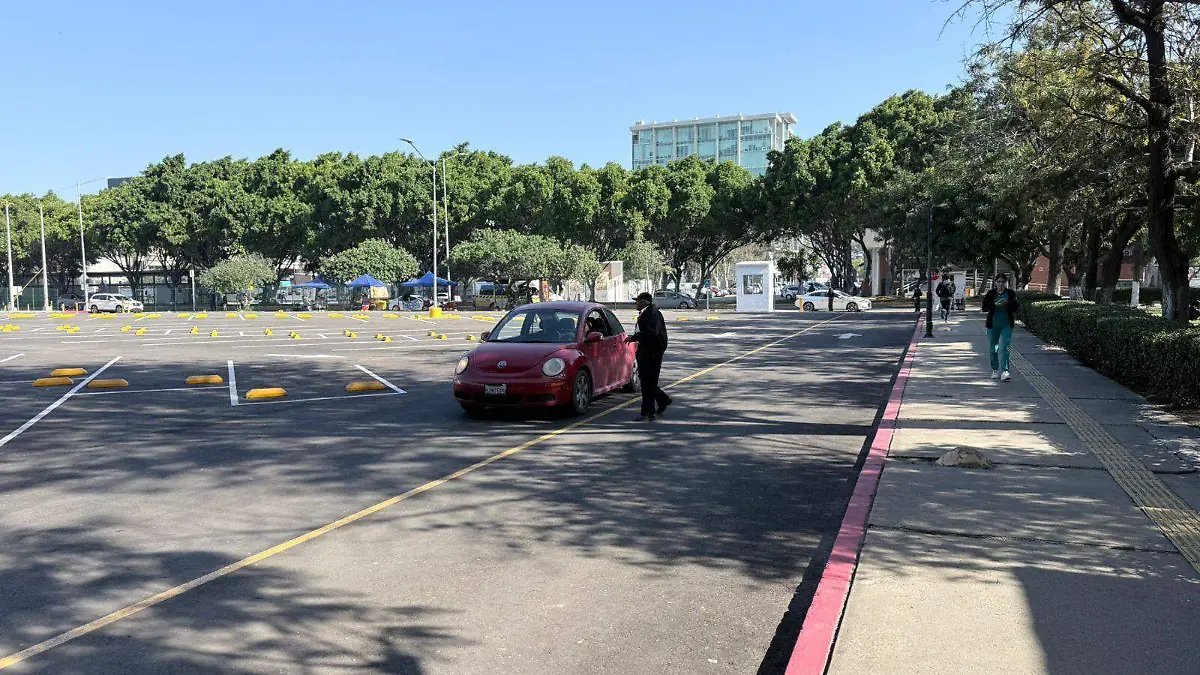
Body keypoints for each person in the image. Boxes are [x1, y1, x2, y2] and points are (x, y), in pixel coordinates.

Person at [628, 292, 672, 422]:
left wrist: (634, 337)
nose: (636, 303)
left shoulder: (652, 314)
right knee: (648, 382)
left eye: (638, 301)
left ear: (645, 302)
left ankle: (646, 412)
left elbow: (651, 333)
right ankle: (659, 403)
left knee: (647, 383)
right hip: (647, 351)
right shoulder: (647, 313)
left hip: (652, 352)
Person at [982, 273, 1020, 382]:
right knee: (994, 348)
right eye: (998, 281)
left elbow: (1015, 307)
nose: (1000, 284)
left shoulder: (1010, 293)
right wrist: (995, 304)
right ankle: (995, 369)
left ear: (1006, 283)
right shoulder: (990, 293)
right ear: (995, 282)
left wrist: (1007, 303)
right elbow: (984, 307)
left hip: (1006, 324)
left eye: (1003, 281)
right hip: (993, 324)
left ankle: (1005, 371)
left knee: (1005, 347)